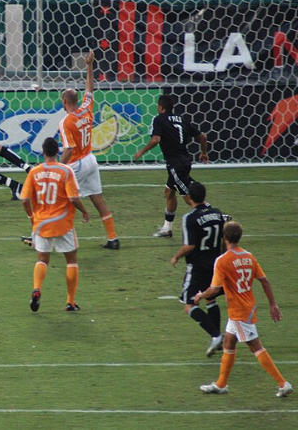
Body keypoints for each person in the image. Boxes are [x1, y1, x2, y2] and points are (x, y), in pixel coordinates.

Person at [194, 221, 293, 398]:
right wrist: (273, 304)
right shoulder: (249, 257)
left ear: (224, 237)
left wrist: (201, 296)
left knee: (256, 347)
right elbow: (264, 281)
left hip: (239, 311)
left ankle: (283, 383)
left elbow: (214, 289)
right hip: (245, 307)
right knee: (228, 343)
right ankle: (221, 384)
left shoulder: (222, 261)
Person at [58, 50, 119, 249]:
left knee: (60, 199)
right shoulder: (86, 108)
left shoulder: (66, 122)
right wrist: (89, 65)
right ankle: (113, 238)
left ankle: (49, 237)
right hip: (90, 160)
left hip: (76, 164)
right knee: (98, 199)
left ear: (65, 102)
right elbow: (90, 88)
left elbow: (68, 149)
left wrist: (59, 168)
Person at [22, 137, 90, 313]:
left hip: (41, 224)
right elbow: (73, 198)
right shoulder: (65, 171)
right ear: (57, 152)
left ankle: (37, 288)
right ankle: (70, 302)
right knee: (71, 261)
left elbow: (24, 199)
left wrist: (31, 216)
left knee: (42, 259)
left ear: (43, 152)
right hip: (63, 223)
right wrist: (84, 211)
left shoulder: (34, 172)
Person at [134, 93, 209, 237]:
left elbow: (156, 139)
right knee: (169, 192)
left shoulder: (159, 119)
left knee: (190, 198)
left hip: (176, 164)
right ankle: (167, 228)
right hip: (184, 160)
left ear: (161, 106)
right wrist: (204, 152)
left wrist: (141, 151)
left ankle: (217, 216)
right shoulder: (182, 118)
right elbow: (202, 137)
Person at [170, 182, 226, 357]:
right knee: (210, 298)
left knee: (189, 305)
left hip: (198, 267)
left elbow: (190, 246)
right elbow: (224, 239)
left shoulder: (190, 218)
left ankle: (216, 336)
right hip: (216, 264)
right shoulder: (217, 213)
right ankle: (218, 340)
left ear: (189, 198)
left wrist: (176, 256)